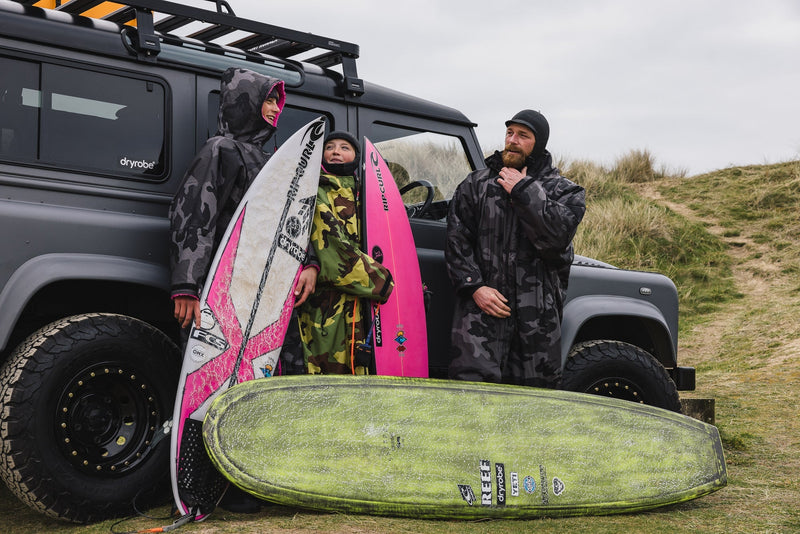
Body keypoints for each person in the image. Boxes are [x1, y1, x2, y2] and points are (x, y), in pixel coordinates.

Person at [168, 67, 301, 514]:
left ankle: (245, 484)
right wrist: (187, 284)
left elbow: (292, 223)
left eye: (278, 102)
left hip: (268, 292)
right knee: (214, 384)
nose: (275, 109)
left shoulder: (275, 159)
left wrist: (312, 265)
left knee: (256, 387)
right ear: (245, 103)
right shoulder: (219, 151)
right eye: (268, 100)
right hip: (225, 290)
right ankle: (199, 486)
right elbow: (194, 215)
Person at [445, 109, 586, 389]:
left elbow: (556, 239)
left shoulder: (565, 192)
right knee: (473, 399)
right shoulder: (476, 185)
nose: (513, 140)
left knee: (534, 405)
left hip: (536, 323)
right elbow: (456, 241)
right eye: (510, 133)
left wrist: (524, 191)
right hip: (481, 317)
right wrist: (475, 287)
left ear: (539, 143)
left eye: (523, 135)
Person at [296, 130, 394, 374]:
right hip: (325, 304)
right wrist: (382, 281)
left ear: (355, 157)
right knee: (325, 377)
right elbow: (333, 250)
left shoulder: (366, 194)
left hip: (358, 301)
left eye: (344, 147)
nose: (336, 151)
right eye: (329, 147)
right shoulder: (316, 190)